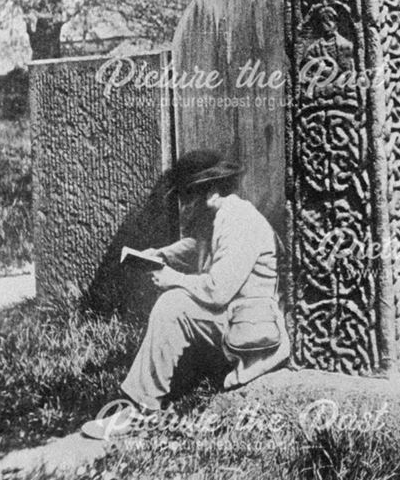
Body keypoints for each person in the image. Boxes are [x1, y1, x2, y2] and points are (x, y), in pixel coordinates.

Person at [82, 149, 289, 440]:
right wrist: (160, 256)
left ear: (212, 191)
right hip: (237, 319)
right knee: (176, 303)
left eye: (189, 195)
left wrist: (173, 279)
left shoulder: (239, 220)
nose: (185, 205)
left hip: (255, 335)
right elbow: (198, 247)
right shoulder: (221, 215)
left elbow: (218, 291)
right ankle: (150, 395)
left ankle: (143, 412)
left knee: (173, 306)